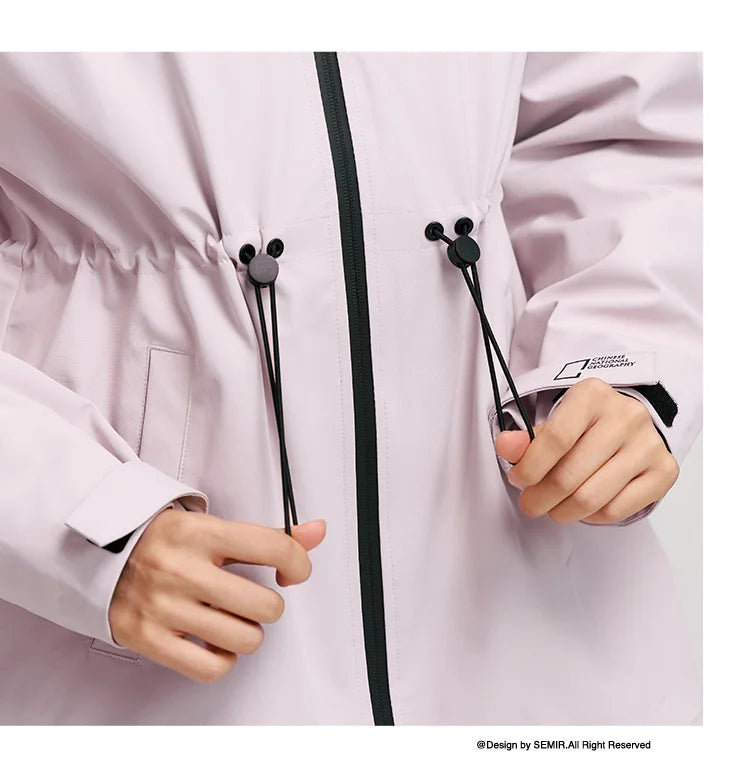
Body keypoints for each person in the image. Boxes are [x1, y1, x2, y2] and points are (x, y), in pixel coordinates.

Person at [0, 51, 702, 725]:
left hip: (547, 648)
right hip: (149, 653)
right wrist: (82, 522)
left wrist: (619, 365)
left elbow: (625, 129)